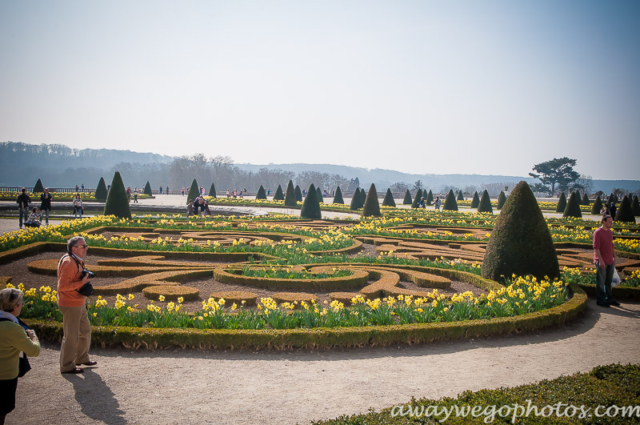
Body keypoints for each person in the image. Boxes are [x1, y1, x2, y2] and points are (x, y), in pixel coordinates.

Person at [0, 288, 41, 424]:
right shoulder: (13, 329)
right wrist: (34, 337)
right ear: (15, 306)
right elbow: (33, 351)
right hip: (5, 377)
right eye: (21, 304)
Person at [57, 236, 96, 373]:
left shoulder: (75, 260)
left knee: (85, 331)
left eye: (86, 246)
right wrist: (83, 283)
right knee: (71, 336)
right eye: (83, 246)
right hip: (70, 303)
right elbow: (62, 286)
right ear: (74, 249)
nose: (86, 248)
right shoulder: (69, 262)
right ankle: (67, 365)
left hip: (78, 301)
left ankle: (81, 357)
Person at [593, 214, 619, 308]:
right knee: (601, 281)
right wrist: (600, 261)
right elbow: (596, 248)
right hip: (601, 260)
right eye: (610, 222)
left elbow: (611, 245)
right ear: (604, 222)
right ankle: (600, 300)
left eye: (611, 222)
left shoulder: (609, 232)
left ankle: (609, 298)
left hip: (609, 260)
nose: (611, 223)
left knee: (608, 281)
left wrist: (613, 257)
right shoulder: (598, 232)